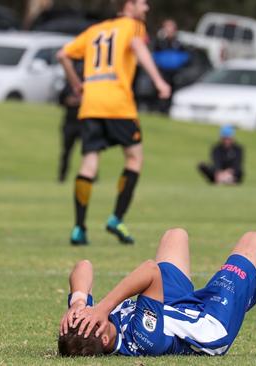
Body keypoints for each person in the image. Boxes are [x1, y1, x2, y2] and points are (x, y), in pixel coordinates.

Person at [58, 228, 256, 358]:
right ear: (105, 340)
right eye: (94, 318)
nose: (92, 314)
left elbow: (83, 266)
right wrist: (103, 307)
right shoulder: (144, 337)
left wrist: (79, 302)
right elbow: (150, 272)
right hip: (208, 324)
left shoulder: (90, 325)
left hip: (171, 307)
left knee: (176, 235)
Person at [56, 0, 171, 245]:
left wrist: (77, 84)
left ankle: (78, 228)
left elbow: (62, 54)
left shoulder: (95, 30)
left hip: (91, 104)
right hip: (118, 103)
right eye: (143, 3)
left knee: (88, 163)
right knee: (134, 158)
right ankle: (116, 218)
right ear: (129, 5)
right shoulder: (134, 25)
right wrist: (159, 81)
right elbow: (138, 48)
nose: (147, 8)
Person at [152, 18, 189, 113]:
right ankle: (160, 109)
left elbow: (185, 56)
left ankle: (169, 109)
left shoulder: (179, 43)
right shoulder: (160, 42)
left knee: (173, 91)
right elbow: (155, 56)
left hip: (175, 73)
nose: (169, 30)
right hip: (162, 72)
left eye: (171, 27)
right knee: (161, 90)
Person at [57, 60, 83, 183]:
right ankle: (62, 177)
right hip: (70, 122)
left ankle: (91, 177)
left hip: (85, 123)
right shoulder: (68, 86)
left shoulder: (88, 86)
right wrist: (69, 101)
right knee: (66, 152)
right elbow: (60, 100)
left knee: (89, 151)